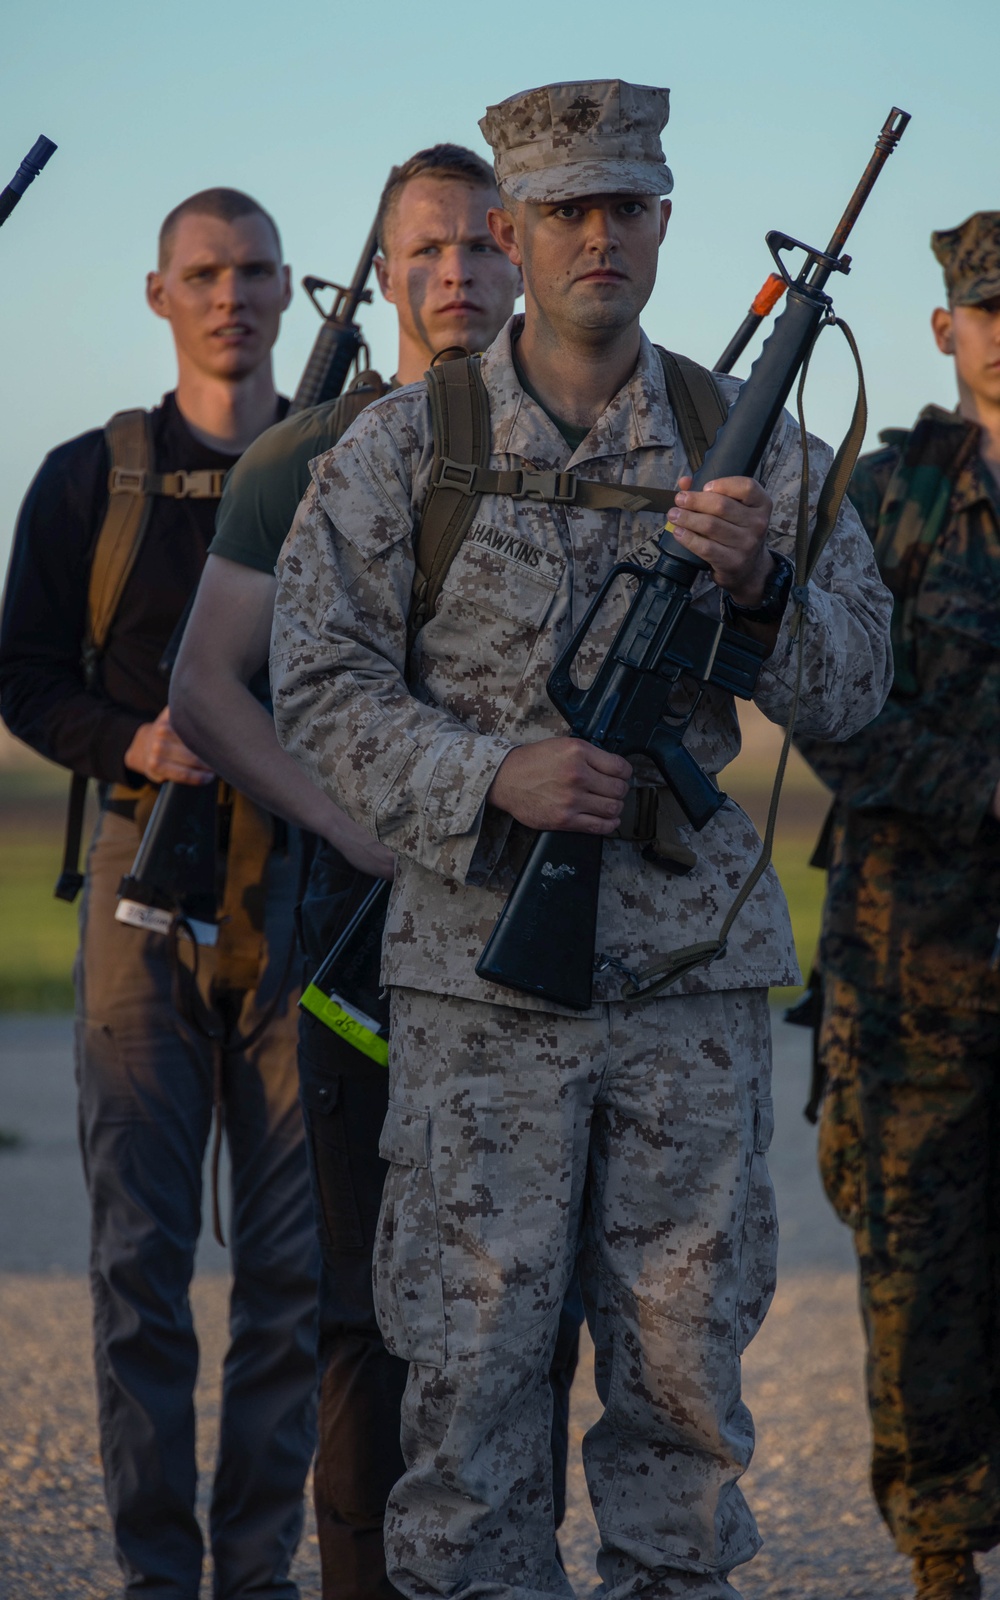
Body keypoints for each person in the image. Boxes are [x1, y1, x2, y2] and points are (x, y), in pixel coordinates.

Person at [268, 78, 893, 1600]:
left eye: (627, 206)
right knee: (470, 1404)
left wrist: (764, 596)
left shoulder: (754, 453)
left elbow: (863, 688)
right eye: (566, 211)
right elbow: (315, 680)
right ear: (510, 231)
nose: (598, 236)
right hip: (481, 995)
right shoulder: (408, 445)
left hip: (689, 990)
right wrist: (497, 775)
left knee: (684, 1407)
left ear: (665, 221)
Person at [170, 144, 584, 1598]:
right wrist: (341, 823)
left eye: (486, 243)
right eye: (428, 250)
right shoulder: (307, 456)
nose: (460, 273)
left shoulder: (587, 447)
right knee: (362, 1321)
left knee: (528, 1315)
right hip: (361, 958)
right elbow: (210, 685)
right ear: (388, 269)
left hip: (543, 955)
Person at [0, 188, 321, 1599]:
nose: (231, 295)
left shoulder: (340, 473)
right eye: (204, 272)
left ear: (293, 291)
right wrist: (130, 738)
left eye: (255, 271)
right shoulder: (89, 477)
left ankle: (253, 1572)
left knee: (293, 1275)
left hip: (300, 884)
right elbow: (20, 673)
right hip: (139, 872)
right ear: (158, 294)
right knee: (139, 1262)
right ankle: (152, 1574)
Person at [796, 213, 1000, 1600]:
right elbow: (824, 696)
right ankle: (941, 1558)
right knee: (916, 1281)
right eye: (994, 308)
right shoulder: (892, 495)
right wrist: (983, 786)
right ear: (946, 328)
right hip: (911, 969)